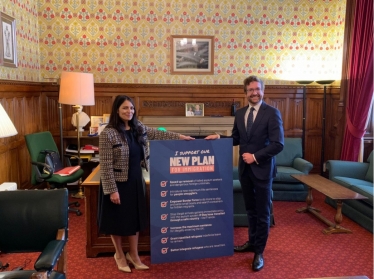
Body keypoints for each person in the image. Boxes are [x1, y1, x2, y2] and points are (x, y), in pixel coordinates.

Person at [98, 95, 194, 273]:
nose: (129, 111)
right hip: (117, 184)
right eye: (125, 108)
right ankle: (119, 254)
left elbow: (157, 133)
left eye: (132, 108)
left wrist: (181, 137)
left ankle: (133, 255)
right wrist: (112, 190)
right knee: (117, 222)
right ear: (117, 110)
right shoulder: (108, 133)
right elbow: (105, 165)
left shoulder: (138, 127)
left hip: (135, 181)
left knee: (134, 220)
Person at [205, 75, 284, 272]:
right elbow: (237, 138)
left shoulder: (272, 113)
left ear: (263, 90)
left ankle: (259, 251)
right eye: (250, 90)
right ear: (245, 92)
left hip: (262, 170)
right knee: (250, 210)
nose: (254, 93)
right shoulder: (240, 113)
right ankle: (251, 241)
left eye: (257, 89)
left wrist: (255, 157)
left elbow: (278, 144)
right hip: (245, 170)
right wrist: (219, 138)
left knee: (263, 213)